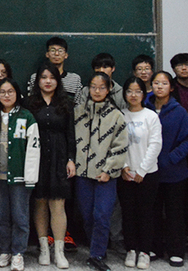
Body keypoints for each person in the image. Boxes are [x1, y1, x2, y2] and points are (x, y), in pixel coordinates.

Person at [73, 72, 128, 271]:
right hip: (82, 174)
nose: (97, 91)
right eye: (93, 87)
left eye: (102, 87)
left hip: (106, 176)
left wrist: (108, 170)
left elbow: (120, 147)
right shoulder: (78, 112)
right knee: (87, 215)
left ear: (109, 89)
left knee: (102, 215)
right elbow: (71, 140)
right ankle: (96, 248)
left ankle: (97, 254)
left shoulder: (116, 115)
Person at [143, 71, 188, 267]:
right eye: (156, 83)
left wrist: (172, 157)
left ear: (171, 87)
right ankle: (154, 247)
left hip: (174, 172)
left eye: (164, 83)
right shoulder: (144, 108)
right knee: (152, 212)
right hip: (149, 171)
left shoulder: (179, 111)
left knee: (174, 213)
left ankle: (176, 250)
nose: (159, 87)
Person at [0, 78, 40, 270]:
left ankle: (18, 253)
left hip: (19, 177)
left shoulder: (26, 117)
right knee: (1, 217)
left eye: (10, 91)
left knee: (20, 217)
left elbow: (34, 149)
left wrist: (30, 177)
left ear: (17, 94)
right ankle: (5, 251)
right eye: (2, 92)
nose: (6, 95)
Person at [27, 63, 75, 269]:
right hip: (36, 157)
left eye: (52, 77)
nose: (48, 81)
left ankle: (59, 251)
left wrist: (71, 159)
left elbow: (71, 133)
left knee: (57, 204)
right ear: (37, 80)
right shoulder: (30, 103)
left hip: (59, 156)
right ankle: (44, 248)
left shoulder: (66, 103)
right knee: (39, 202)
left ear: (58, 81)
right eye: (44, 77)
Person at [117, 76, 162, 270]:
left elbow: (155, 144)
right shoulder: (120, 115)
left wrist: (142, 170)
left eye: (137, 91)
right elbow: (117, 143)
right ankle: (131, 249)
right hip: (126, 174)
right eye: (129, 91)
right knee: (128, 213)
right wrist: (124, 166)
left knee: (146, 213)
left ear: (144, 94)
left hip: (148, 174)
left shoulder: (151, 116)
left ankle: (144, 251)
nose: (133, 95)